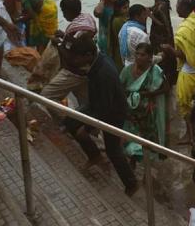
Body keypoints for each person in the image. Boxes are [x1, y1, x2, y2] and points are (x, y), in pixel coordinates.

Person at [62, 33, 139, 196]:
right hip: (96, 104)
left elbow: (105, 109)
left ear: (88, 55)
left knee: (112, 149)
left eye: (77, 58)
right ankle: (94, 155)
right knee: (70, 121)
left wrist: (89, 128)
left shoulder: (104, 74)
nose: (74, 61)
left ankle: (131, 184)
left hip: (113, 112)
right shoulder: (96, 61)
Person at [165, 0, 195, 138]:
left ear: (184, 8)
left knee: (184, 102)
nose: (176, 9)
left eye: (178, 6)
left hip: (190, 71)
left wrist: (170, 50)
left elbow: (185, 55)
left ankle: (189, 134)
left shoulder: (184, 30)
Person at [120, 38, 167, 161]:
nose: (139, 57)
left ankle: (146, 161)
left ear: (149, 57)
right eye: (137, 54)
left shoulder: (155, 71)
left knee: (147, 140)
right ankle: (133, 161)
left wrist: (147, 94)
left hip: (148, 113)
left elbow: (165, 88)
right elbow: (120, 89)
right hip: (132, 112)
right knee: (130, 139)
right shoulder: (127, 70)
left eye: (143, 55)